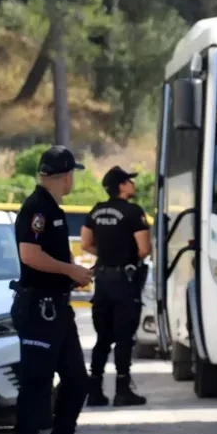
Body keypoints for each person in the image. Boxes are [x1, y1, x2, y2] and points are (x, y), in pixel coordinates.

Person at [11, 145, 95, 434]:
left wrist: (69, 275)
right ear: (66, 175)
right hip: (39, 310)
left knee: (76, 381)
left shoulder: (53, 209)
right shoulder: (38, 208)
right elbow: (29, 255)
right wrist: (70, 270)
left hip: (57, 308)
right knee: (36, 385)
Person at [81, 166, 152, 407]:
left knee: (103, 338)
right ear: (121, 186)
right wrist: (125, 256)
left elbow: (86, 244)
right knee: (124, 338)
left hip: (102, 280)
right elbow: (144, 249)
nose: (133, 185)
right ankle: (123, 390)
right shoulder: (133, 212)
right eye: (129, 181)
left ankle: (95, 391)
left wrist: (108, 254)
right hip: (124, 282)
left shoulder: (96, 210)